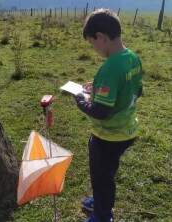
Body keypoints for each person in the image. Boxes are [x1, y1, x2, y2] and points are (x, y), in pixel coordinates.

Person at [74, 9, 143, 222]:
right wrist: (96, 88)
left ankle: (103, 215)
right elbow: (136, 89)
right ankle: (100, 200)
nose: (94, 49)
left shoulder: (110, 68)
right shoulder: (132, 57)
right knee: (108, 173)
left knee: (101, 177)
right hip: (127, 130)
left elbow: (100, 112)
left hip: (108, 135)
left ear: (101, 37)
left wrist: (80, 98)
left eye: (92, 43)